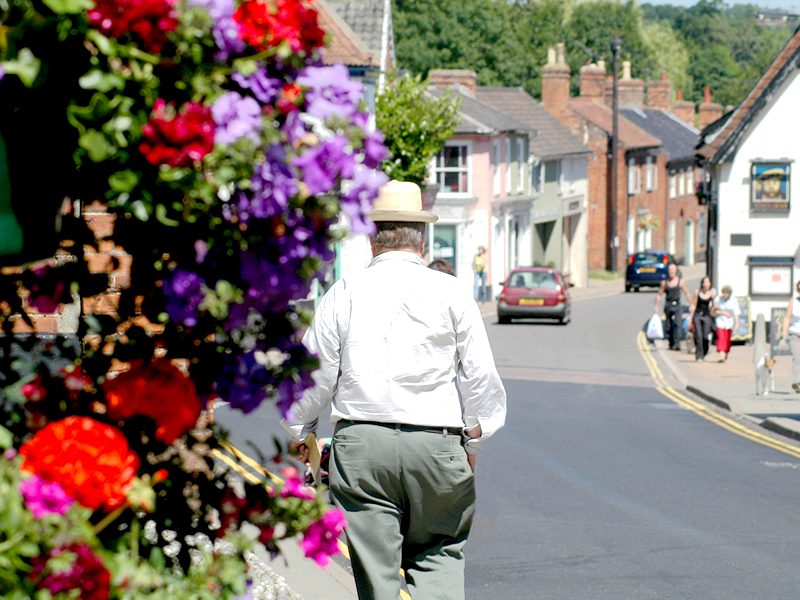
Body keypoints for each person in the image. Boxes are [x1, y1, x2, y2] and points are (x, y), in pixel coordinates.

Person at [282, 180, 507, 600]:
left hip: (362, 446)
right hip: (437, 445)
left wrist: (300, 432)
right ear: (421, 239)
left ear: (372, 237)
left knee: (377, 574)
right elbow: (480, 379)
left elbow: (312, 376)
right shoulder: (451, 292)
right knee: (439, 552)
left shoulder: (344, 292)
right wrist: (473, 443)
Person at [653, 263, 691, 351]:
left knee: (678, 324)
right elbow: (659, 295)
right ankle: (671, 343)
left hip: (677, 305)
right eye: (670, 270)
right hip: (668, 305)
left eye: (673, 270)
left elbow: (687, 293)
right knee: (668, 326)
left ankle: (677, 343)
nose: (671, 272)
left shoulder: (680, 282)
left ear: (676, 271)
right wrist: (656, 306)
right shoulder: (664, 283)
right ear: (668, 271)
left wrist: (691, 304)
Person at [688, 276, 716, 362]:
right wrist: (690, 318)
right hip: (697, 315)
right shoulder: (697, 292)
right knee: (698, 336)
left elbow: (713, 306)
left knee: (705, 336)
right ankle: (698, 355)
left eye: (707, 282)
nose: (705, 284)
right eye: (704, 282)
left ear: (710, 284)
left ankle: (704, 352)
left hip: (707, 316)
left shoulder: (712, 294)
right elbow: (694, 305)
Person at [781, 280, 800, 393]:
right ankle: (798, 382)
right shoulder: (793, 302)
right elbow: (787, 317)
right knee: (797, 357)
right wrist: (784, 332)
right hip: (795, 333)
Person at [712, 284, 739, 362]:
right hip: (720, 321)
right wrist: (723, 312)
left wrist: (737, 323)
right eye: (724, 293)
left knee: (727, 339)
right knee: (721, 338)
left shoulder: (733, 300)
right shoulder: (718, 299)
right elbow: (714, 312)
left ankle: (726, 355)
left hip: (729, 322)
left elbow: (736, 312)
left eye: (727, 293)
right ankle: (721, 356)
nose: (725, 295)